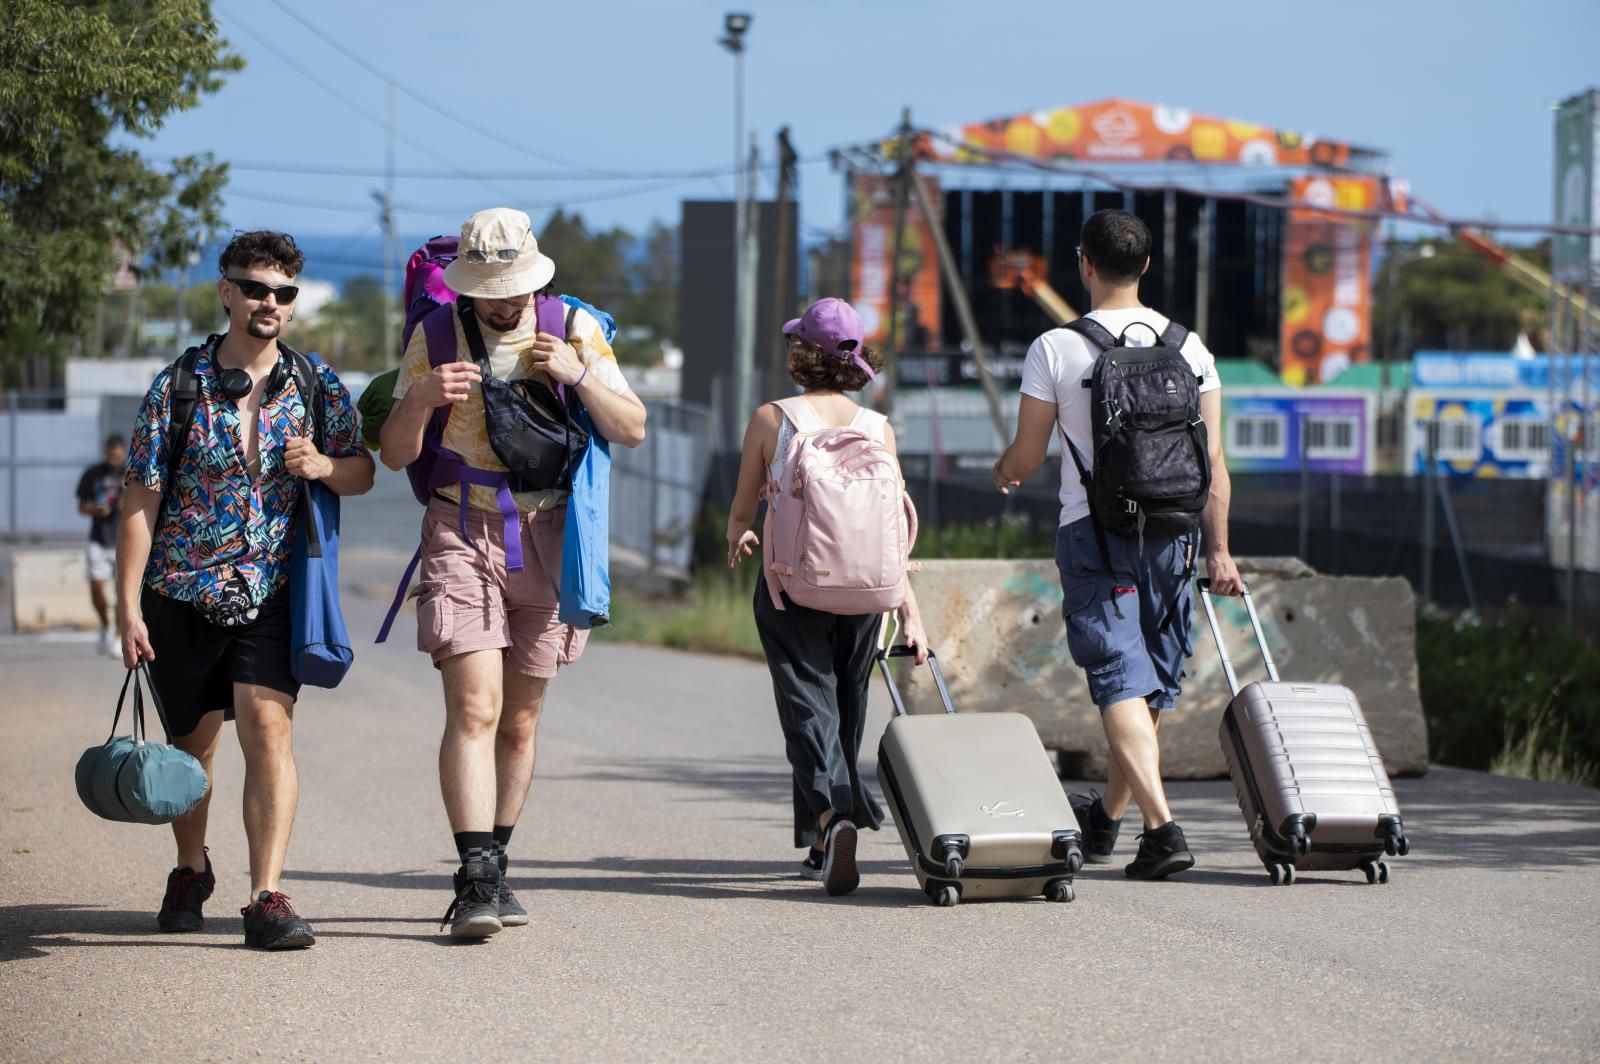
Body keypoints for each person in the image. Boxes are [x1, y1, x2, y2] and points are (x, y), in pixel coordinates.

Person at [379, 207, 647, 938]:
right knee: (475, 708)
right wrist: (423, 399)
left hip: (553, 537)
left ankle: (496, 861)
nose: (503, 305)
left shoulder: (574, 329)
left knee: (521, 725)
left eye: (514, 291)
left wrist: (579, 374)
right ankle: (472, 880)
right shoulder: (433, 338)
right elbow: (396, 453)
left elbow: (631, 427)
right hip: (460, 526)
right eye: (489, 293)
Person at [118, 230, 374, 949]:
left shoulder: (316, 384)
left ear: (293, 303)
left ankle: (265, 895)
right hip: (181, 590)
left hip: (273, 590)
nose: (269, 302)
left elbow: (361, 472)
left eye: (283, 292)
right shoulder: (176, 388)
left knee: (268, 730)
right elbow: (139, 501)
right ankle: (190, 867)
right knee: (192, 750)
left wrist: (322, 465)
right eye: (255, 288)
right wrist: (125, 605)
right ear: (226, 291)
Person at [992, 209, 1242, 880]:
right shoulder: (1192, 349)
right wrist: (1219, 551)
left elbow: (1027, 455)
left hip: (1095, 535)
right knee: (1148, 688)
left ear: (1085, 264)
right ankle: (1105, 821)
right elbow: (1214, 463)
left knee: (1119, 683)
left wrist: (1004, 472)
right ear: (1148, 266)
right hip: (1177, 537)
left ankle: (1162, 832)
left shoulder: (1055, 348)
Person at [726, 297, 929, 897]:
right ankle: (822, 841)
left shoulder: (772, 418)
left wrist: (740, 535)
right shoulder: (877, 427)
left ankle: (835, 816)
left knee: (805, 705)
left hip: (792, 585)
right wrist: (908, 608)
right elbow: (891, 528)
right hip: (867, 589)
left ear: (801, 353)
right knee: (843, 707)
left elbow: (741, 511)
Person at [77, 434, 127, 656]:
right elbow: (81, 506)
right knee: (96, 586)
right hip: (98, 538)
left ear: (123, 452)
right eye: (110, 453)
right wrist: (94, 510)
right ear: (105, 451)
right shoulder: (92, 474)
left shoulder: (130, 473)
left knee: (121, 590)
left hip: (122, 541)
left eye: (117, 454)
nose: (113, 458)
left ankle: (116, 634)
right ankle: (105, 625)